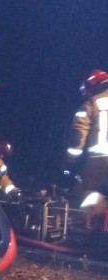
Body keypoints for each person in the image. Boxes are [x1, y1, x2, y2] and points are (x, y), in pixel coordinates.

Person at [67, 69, 108, 218]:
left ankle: (89, 225)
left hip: (99, 163)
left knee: (87, 194)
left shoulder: (92, 103)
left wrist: (72, 160)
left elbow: (79, 132)